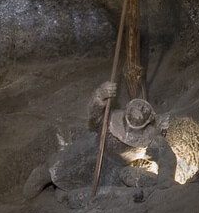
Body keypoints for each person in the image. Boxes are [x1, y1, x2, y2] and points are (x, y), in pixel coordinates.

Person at [24, 81, 177, 198]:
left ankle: (63, 195)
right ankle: (27, 198)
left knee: (86, 193)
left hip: (111, 171)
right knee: (52, 168)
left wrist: (165, 181)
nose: (129, 132)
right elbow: (94, 116)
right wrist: (99, 96)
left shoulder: (150, 139)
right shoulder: (111, 119)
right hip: (88, 150)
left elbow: (166, 158)